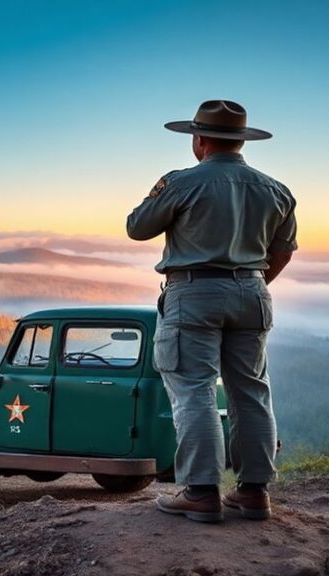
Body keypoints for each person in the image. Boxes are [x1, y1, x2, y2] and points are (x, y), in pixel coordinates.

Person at [126, 100, 297, 523]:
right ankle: (254, 492)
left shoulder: (182, 183)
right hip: (254, 292)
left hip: (194, 293)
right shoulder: (276, 189)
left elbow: (137, 227)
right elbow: (283, 251)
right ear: (241, 141)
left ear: (198, 140)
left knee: (194, 390)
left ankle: (201, 492)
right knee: (251, 391)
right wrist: (246, 286)